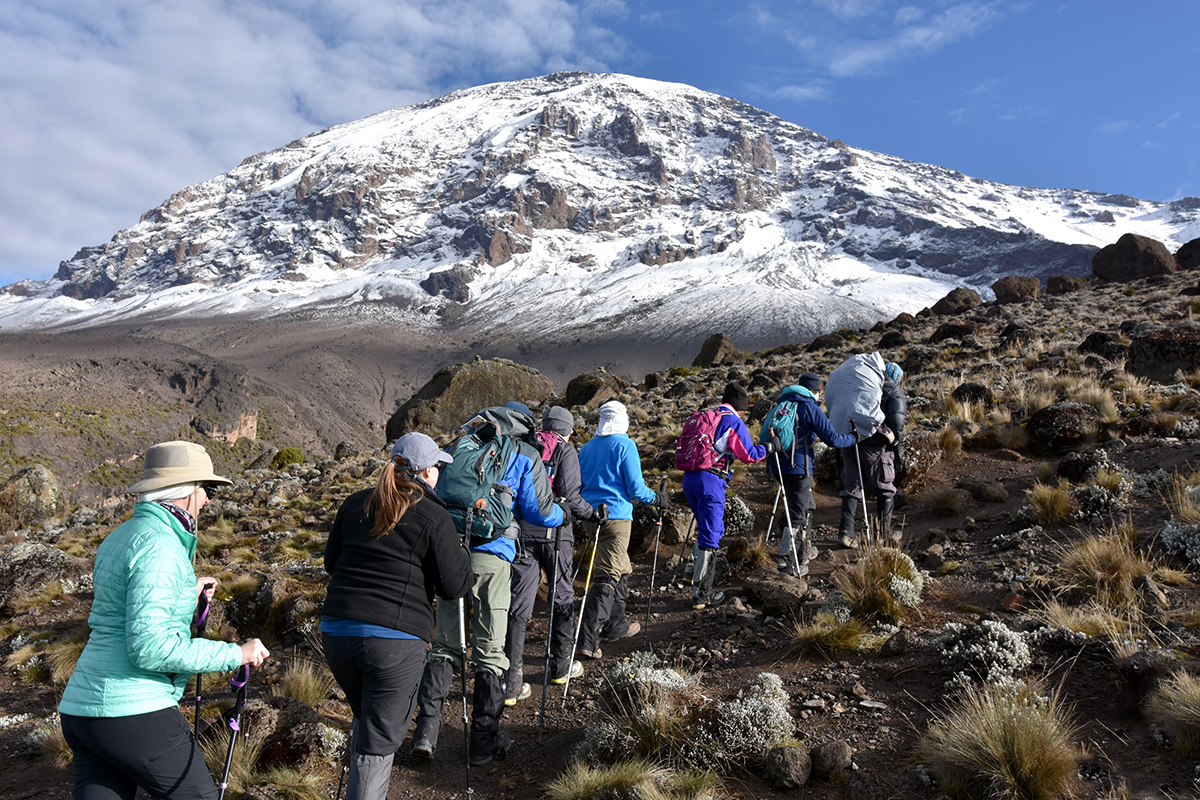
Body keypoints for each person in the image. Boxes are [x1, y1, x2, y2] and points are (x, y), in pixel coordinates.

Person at [58, 441, 271, 800]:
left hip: (82, 710)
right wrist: (235, 655)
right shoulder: (162, 547)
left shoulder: (121, 536)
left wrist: (187, 590)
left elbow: (124, 606)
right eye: (207, 490)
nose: (207, 500)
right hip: (132, 710)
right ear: (187, 491)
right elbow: (150, 648)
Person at [321, 432, 472, 800]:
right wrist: (462, 551)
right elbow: (455, 586)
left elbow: (330, 564)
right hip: (395, 642)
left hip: (337, 634)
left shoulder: (355, 504)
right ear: (426, 472)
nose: (439, 471)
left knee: (367, 720)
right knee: (377, 744)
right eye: (437, 465)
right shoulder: (434, 516)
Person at [412, 403, 564, 766]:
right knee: (490, 649)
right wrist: (563, 512)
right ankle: (482, 742)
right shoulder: (525, 454)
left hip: (451, 550)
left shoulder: (460, 444)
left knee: (446, 643)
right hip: (492, 558)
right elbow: (540, 512)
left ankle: (425, 734)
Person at [504, 406, 594, 705]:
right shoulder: (566, 451)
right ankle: (560, 667)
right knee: (562, 594)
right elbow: (570, 494)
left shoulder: (525, 445)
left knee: (519, 602)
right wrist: (592, 515)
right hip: (557, 533)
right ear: (566, 428)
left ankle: (512, 681)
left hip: (522, 535)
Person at [576, 399, 667, 658]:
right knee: (607, 576)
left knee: (621, 567)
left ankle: (616, 625)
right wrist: (657, 499)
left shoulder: (587, 447)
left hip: (590, 516)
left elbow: (580, 484)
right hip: (616, 518)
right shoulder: (625, 445)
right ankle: (588, 641)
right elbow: (636, 488)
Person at [680, 383, 783, 608]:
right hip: (710, 480)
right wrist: (770, 447)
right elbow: (748, 455)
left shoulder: (707, 415)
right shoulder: (732, 421)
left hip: (690, 478)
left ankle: (690, 573)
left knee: (704, 527)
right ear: (741, 408)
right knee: (712, 533)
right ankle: (702, 594)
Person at [765, 373, 856, 576]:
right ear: (815, 390)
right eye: (819, 392)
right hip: (799, 467)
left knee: (805, 506)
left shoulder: (782, 405)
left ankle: (804, 551)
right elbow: (831, 438)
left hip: (779, 467)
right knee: (799, 513)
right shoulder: (809, 407)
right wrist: (852, 438)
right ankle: (788, 561)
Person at [827, 355, 906, 548]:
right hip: (876, 442)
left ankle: (845, 533)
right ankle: (882, 534)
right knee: (884, 486)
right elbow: (897, 423)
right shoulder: (893, 391)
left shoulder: (864, 385)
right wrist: (895, 444)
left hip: (850, 438)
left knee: (851, 485)